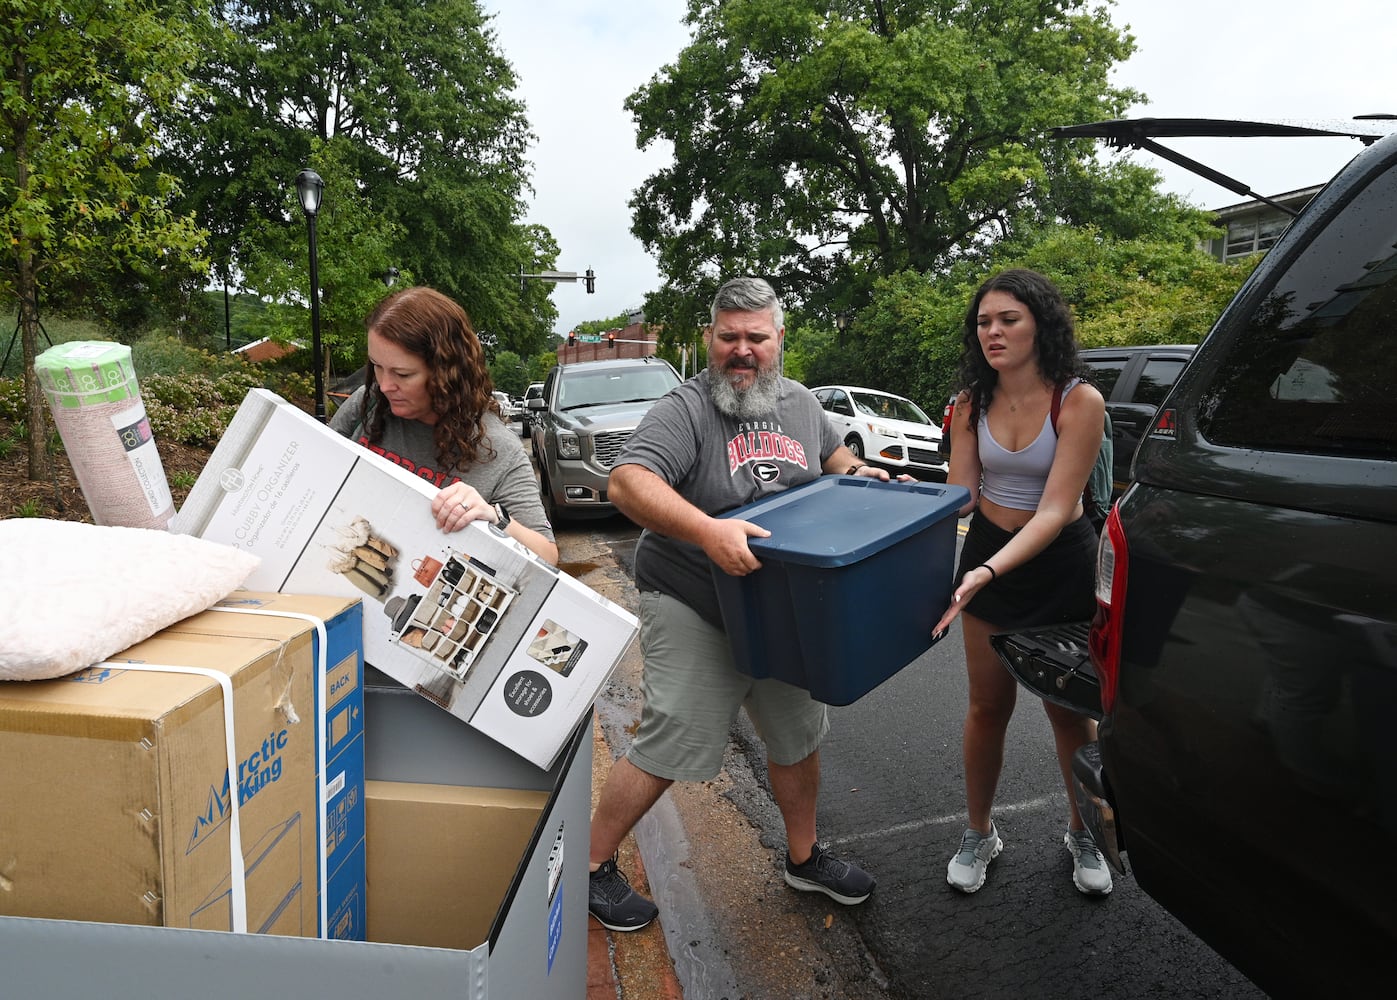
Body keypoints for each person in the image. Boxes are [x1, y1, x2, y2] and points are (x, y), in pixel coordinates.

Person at [588, 276, 896, 931]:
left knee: (796, 734)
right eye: (728, 336)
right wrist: (706, 528)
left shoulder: (802, 405)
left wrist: (865, 479)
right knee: (674, 733)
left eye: (756, 336)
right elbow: (626, 481)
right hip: (693, 595)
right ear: (709, 338)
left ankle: (803, 858)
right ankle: (588, 865)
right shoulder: (685, 408)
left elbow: (837, 460)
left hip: (780, 605)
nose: (742, 350)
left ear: (778, 339)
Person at [933, 268, 1113, 896]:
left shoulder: (1078, 400)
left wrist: (985, 570)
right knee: (987, 705)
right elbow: (960, 497)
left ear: (1040, 324)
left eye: (1008, 319)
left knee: (1068, 712)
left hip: (1060, 562)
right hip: (988, 548)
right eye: (984, 321)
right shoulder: (969, 403)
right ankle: (979, 832)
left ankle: (1084, 832)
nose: (994, 332)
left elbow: (1058, 509)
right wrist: (900, 496)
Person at [329, 285, 557, 564]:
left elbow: (548, 555)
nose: (385, 385)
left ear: (447, 373)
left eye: (402, 374)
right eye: (376, 366)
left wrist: (492, 516)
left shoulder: (498, 449)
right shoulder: (367, 404)